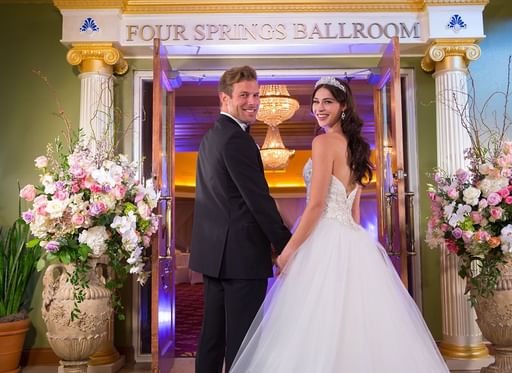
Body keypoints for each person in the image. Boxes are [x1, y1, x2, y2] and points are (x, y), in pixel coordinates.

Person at [229, 77, 450, 373]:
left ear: (343, 106)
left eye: (328, 102)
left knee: (314, 324)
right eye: (316, 102)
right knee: (356, 324)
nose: (319, 108)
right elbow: (354, 211)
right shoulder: (357, 147)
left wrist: (288, 250)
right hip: (352, 238)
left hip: (326, 237)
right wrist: (357, 246)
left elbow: (317, 205)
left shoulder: (322, 142)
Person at [190, 65, 292, 373]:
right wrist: (287, 246)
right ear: (224, 98)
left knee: (212, 340)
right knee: (243, 344)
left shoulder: (210, 138)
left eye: (256, 95)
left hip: (214, 257)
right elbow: (258, 201)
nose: (253, 102)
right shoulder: (238, 140)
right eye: (244, 95)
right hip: (242, 258)